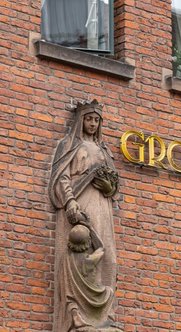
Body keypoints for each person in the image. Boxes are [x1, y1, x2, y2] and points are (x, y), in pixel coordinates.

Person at [49, 100, 120, 331]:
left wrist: (109, 188)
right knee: (82, 256)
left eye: (96, 120)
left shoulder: (103, 150)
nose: (92, 123)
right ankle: (76, 315)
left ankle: (104, 315)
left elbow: (113, 185)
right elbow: (62, 177)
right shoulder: (69, 145)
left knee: (107, 258)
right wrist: (70, 201)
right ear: (81, 121)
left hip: (103, 208)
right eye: (88, 119)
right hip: (81, 203)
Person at [65, 224, 115, 330]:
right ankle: (109, 318)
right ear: (88, 242)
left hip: (75, 293)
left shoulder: (66, 258)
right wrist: (91, 228)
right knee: (109, 292)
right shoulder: (89, 261)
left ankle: (76, 317)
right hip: (91, 293)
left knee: (71, 298)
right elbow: (101, 248)